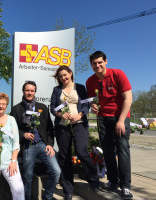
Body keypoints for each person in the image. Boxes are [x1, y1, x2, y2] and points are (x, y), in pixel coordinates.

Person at [86, 51, 133, 200]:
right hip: (103, 118)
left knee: (122, 150)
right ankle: (113, 181)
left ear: (106, 61)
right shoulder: (90, 81)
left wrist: (121, 120)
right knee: (107, 151)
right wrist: (93, 105)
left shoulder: (118, 74)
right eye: (94, 63)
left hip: (120, 117)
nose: (97, 65)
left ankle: (125, 186)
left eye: (100, 62)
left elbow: (128, 98)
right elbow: (92, 100)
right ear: (91, 65)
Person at [50, 65, 101, 200]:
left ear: (70, 73)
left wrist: (80, 114)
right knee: (64, 156)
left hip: (79, 124)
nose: (63, 78)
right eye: (60, 76)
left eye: (65, 75)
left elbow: (85, 104)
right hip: (62, 126)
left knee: (81, 151)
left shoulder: (80, 87)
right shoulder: (56, 90)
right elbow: (53, 107)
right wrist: (60, 114)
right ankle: (68, 190)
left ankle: (94, 180)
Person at [10, 81, 61, 200]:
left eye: (32, 91)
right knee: (27, 177)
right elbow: (12, 130)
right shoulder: (16, 109)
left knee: (56, 171)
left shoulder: (42, 107)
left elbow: (49, 128)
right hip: (28, 147)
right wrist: (23, 134)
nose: (29, 93)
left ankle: (47, 197)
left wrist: (49, 144)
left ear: (35, 92)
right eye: (27, 90)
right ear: (23, 91)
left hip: (43, 145)